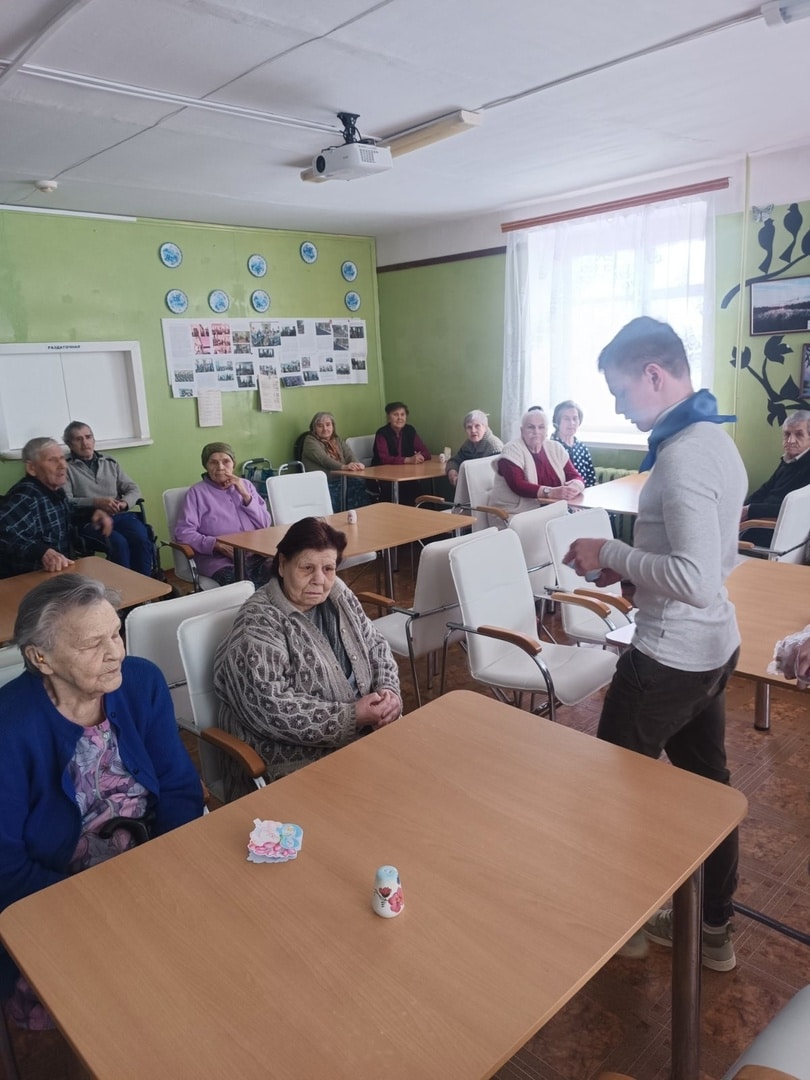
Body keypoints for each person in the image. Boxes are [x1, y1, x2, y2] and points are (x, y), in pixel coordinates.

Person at [563, 316, 746, 971]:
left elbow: (695, 579)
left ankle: (626, 926)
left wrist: (610, 548)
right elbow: (700, 559)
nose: (615, 406)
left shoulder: (686, 454)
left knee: (617, 797)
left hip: (669, 658)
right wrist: (634, 562)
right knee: (709, 789)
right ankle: (715, 929)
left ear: (654, 375)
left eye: (619, 391)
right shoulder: (712, 437)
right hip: (711, 650)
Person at [0, 574, 204, 1022]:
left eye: (116, 631)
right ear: (41, 658)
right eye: (93, 644)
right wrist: (100, 905)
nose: (117, 653)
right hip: (64, 892)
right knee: (127, 1004)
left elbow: (179, 787)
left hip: (154, 858)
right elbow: (6, 867)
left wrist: (172, 865)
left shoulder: (141, 683)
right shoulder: (8, 727)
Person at [214, 517, 401, 799]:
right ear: (282, 564)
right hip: (293, 758)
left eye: (328, 568)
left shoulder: (338, 594)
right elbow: (269, 708)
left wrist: (389, 692)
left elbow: (374, 643)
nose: (320, 579)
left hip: (364, 735)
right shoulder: (259, 623)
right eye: (307, 568)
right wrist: (352, 717)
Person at [0, 437, 112, 578]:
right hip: (30, 580)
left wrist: (93, 513)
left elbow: (67, 512)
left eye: (62, 458)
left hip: (60, 573)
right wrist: (41, 551)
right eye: (52, 460)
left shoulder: (54, 490)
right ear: (31, 468)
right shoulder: (27, 496)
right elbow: (4, 532)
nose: (63, 465)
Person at [63, 421, 154, 576]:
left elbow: (133, 488)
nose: (85, 443)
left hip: (119, 515)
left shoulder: (110, 462)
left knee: (141, 537)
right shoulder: (65, 467)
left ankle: (147, 585)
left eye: (88, 437)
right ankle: (124, 590)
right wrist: (96, 502)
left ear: (94, 439)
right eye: (78, 439)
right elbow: (66, 500)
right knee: (119, 543)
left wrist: (124, 503)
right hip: (88, 521)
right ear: (69, 444)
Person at [174, 442, 272, 586]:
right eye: (213, 462)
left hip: (255, 554)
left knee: (286, 573)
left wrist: (245, 494)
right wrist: (216, 544)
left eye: (226, 461)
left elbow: (265, 524)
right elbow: (183, 533)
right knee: (245, 587)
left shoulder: (246, 485)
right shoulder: (197, 493)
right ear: (206, 466)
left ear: (233, 464)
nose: (220, 467)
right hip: (219, 561)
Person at [492, 406, 584, 514]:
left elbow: (574, 475)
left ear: (546, 431)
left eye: (541, 427)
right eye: (531, 427)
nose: (536, 431)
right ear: (522, 431)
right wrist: (551, 492)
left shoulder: (555, 447)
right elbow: (518, 485)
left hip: (552, 510)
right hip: (516, 513)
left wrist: (574, 488)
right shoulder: (512, 450)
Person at [740, 411, 810, 539]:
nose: (791, 441)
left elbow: (794, 509)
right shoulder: (789, 459)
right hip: (756, 522)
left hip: (774, 529)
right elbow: (766, 489)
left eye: (799, 434)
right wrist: (742, 508)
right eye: (787, 434)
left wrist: (750, 510)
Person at [300, 411, 370, 511]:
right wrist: (344, 467)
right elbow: (324, 459)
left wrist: (358, 464)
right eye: (320, 426)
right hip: (325, 482)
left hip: (342, 479)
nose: (325, 429)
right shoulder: (310, 441)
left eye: (328, 425)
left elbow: (349, 454)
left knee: (359, 482)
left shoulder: (337, 439)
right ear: (314, 428)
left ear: (333, 426)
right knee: (344, 489)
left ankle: (360, 516)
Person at [445, 410, 503, 487]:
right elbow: (454, 460)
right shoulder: (468, 444)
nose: (473, 430)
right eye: (469, 427)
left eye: (477, 426)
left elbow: (492, 475)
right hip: (473, 486)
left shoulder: (494, 447)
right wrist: (452, 471)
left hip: (490, 489)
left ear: (485, 427)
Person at [551, 400, 597, 487]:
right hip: (560, 495)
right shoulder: (550, 447)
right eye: (566, 419)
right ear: (557, 421)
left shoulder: (582, 448)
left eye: (575, 418)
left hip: (583, 494)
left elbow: (591, 479)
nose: (572, 423)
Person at [371, 401, 431, 466]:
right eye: (395, 414)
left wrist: (420, 457)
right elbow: (384, 459)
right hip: (382, 471)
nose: (400, 418)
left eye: (402, 414)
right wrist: (409, 460)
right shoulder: (382, 433)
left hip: (405, 470)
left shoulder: (409, 430)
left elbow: (426, 452)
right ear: (388, 417)